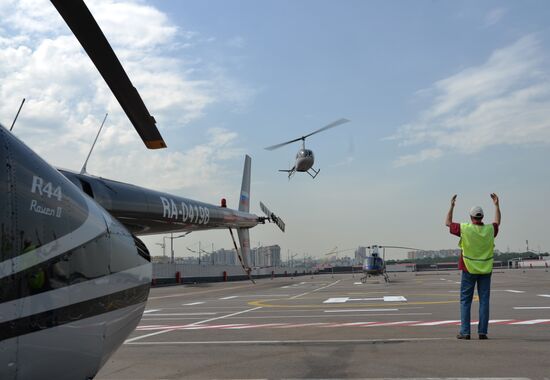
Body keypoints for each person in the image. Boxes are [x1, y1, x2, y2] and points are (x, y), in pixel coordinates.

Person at [445, 193, 501, 340]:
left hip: (468, 269)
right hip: (485, 270)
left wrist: (451, 206)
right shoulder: (490, 230)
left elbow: (447, 222)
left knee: (465, 301)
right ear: (482, 217)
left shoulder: (465, 228)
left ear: (471, 217)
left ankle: (465, 332)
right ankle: (482, 332)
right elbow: (497, 222)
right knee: (484, 301)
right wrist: (496, 205)